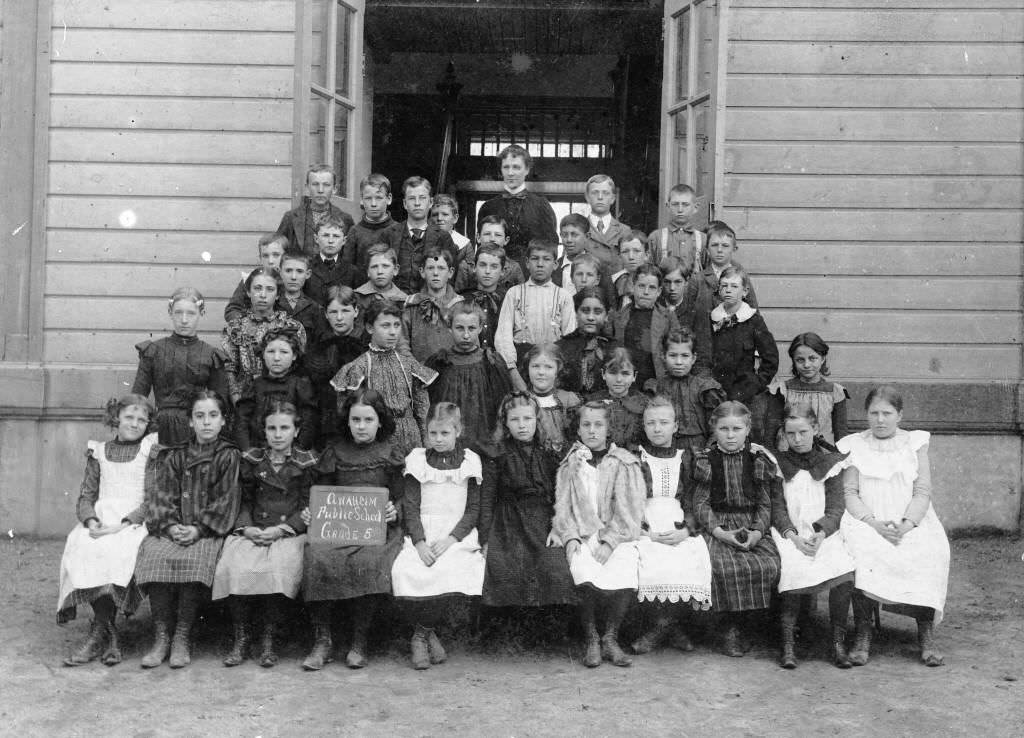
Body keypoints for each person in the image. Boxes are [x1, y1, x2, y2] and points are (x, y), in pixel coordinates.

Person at [837, 386, 950, 667]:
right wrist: (873, 523)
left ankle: (925, 634)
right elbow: (850, 492)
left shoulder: (915, 443)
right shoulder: (854, 444)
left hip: (909, 519)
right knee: (861, 550)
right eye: (874, 413)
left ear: (899, 415)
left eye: (887, 413)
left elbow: (922, 490)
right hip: (867, 519)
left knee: (930, 550)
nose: (880, 420)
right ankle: (863, 632)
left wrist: (908, 524)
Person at [134, 390, 241, 669]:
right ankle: (162, 636)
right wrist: (169, 526)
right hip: (173, 527)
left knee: (193, 559)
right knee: (155, 553)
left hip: (206, 531)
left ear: (223, 421)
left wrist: (198, 529)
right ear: (191, 422)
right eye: (200, 416)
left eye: (213, 416)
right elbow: (162, 495)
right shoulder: (176, 455)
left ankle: (182, 635)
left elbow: (226, 499)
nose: (206, 422)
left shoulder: (228, 456)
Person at [301, 388, 406, 670]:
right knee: (317, 555)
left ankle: (359, 641)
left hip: (376, 531)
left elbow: (401, 495)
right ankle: (323, 639)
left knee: (368, 561)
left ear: (380, 421)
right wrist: (312, 509)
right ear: (347, 421)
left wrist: (394, 510)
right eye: (356, 420)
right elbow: (320, 491)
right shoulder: (336, 451)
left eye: (368, 420)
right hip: (337, 529)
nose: (361, 426)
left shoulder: (390, 453)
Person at [58, 395, 158, 666]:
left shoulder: (149, 451)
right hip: (101, 520)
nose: (134, 424)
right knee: (84, 545)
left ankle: (98, 634)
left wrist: (123, 524)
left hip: (132, 522)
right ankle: (109, 633)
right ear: (116, 418)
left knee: (117, 552)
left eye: (141, 420)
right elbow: (86, 496)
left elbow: (152, 499)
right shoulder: (99, 451)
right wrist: (91, 521)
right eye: (129, 417)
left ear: (148, 425)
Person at [213, 401, 314, 668]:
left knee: (279, 566)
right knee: (235, 562)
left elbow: (308, 504)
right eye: (272, 428)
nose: (278, 434)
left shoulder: (307, 462)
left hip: (288, 533)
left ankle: (269, 638)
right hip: (254, 529)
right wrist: (247, 527)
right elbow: (242, 500)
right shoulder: (253, 460)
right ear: (264, 431)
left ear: (296, 430)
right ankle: (242, 637)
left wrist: (283, 528)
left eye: (284, 428)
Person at [391, 403, 486, 670]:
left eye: (445, 433)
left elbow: (473, 509)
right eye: (433, 433)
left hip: (456, 535)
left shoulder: (470, 460)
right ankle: (428, 634)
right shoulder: (417, 459)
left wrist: (451, 539)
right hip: (423, 531)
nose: (438, 439)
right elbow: (410, 506)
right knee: (406, 569)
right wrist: (420, 542)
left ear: (458, 431)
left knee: (450, 569)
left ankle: (421, 635)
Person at [552, 401, 645, 667]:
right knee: (582, 565)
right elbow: (564, 505)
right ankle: (591, 638)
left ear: (608, 428)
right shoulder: (572, 462)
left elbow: (629, 510)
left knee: (625, 563)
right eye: (586, 425)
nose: (592, 431)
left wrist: (610, 541)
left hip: (616, 534)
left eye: (598, 425)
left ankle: (610, 637)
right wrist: (569, 536)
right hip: (583, 532)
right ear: (579, 429)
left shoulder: (624, 462)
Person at [693, 401, 781, 657]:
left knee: (768, 564)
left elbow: (765, 505)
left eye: (736, 429)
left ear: (747, 429)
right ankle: (728, 628)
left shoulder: (758, 460)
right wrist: (720, 532)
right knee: (719, 565)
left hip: (751, 524)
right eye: (724, 429)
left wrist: (756, 532)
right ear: (714, 430)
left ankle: (749, 626)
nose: (730, 435)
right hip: (718, 525)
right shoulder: (706, 460)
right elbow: (700, 504)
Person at [770, 403, 855, 669]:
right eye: (791, 433)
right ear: (784, 433)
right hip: (789, 534)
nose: (797, 439)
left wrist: (821, 533)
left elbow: (836, 507)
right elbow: (777, 507)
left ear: (815, 429)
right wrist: (793, 536)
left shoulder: (831, 463)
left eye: (803, 432)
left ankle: (837, 641)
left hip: (823, 534)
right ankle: (788, 644)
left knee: (843, 568)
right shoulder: (777, 463)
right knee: (792, 568)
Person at [631, 396, 713, 654]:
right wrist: (646, 530)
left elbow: (694, 500)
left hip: (678, 521)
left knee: (691, 556)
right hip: (645, 522)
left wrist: (687, 530)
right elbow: (631, 498)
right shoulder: (637, 457)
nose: (657, 428)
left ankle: (664, 627)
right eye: (651, 423)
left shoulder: (687, 458)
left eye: (664, 422)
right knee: (649, 559)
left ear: (676, 426)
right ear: (644, 427)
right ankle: (665, 628)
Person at [479, 392, 576, 609]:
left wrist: (557, 527)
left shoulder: (548, 453)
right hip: (508, 522)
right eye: (515, 420)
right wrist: (485, 539)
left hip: (543, 520)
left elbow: (560, 496)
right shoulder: (498, 455)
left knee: (553, 567)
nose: (522, 425)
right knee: (508, 569)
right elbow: (486, 499)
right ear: (505, 423)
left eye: (527, 419)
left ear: (537, 420)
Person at [331, 301, 437, 454]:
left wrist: (427, 444)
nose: (393, 332)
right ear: (370, 328)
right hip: (378, 439)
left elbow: (422, 408)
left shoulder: (408, 364)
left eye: (397, 325)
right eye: (385, 326)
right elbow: (346, 412)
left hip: (411, 437)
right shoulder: (359, 367)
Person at [132, 287, 229, 445]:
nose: (184, 320)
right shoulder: (153, 351)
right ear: (170, 312)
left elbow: (219, 404)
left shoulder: (211, 355)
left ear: (201, 314)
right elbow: (138, 397)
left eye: (191, 313)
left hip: (197, 429)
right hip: (159, 429)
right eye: (178, 313)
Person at [707, 266, 778, 444]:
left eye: (734, 286)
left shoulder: (753, 320)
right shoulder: (712, 319)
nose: (728, 290)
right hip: (716, 391)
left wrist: (755, 383)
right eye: (724, 286)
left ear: (745, 291)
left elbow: (770, 358)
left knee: (745, 437)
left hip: (745, 393)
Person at [425, 302, 511, 445]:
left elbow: (503, 404)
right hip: (447, 438)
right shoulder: (439, 363)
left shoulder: (491, 362)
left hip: (483, 437)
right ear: (450, 328)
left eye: (471, 328)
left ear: (479, 328)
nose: (466, 335)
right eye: (459, 328)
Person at [495, 238, 577, 386]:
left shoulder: (564, 296)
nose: (540, 264)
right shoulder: (514, 293)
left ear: (555, 264)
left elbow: (569, 337)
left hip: (552, 365)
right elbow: (503, 335)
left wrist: (558, 370)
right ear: (527, 262)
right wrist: (512, 370)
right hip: (521, 362)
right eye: (535, 259)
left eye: (546, 259)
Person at [680, 221, 759, 373]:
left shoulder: (742, 279)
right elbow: (685, 319)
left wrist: (755, 353)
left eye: (725, 246)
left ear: (733, 249)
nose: (720, 250)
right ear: (707, 250)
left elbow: (754, 315)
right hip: (705, 356)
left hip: (737, 356)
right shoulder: (698, 280)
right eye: (715, 245)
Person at [222, 267, 307, 405]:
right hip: (245, 398)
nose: (263, 295)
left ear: (278, 294)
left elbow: (299, 370)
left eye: (270, 289)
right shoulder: (235, 328)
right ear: (248, 292)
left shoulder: (292, 327)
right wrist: (238, 403)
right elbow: (230, 370)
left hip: (284, 399)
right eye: (257, 288)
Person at [477, 144, 558, 272]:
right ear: (500, 170)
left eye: (516, 167)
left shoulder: (541, 205)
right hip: (496, 274)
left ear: (527, 170)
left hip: (531, 275)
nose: (510, 173)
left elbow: (551, 246)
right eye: (506, 167)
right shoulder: (488, 207)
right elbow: (482, 249)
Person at [305, 285, 369, 446]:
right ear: (326, 314)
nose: (339, 318)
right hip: (328, 421)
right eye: (333, 312)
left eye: (345, 311)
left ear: (355, 312)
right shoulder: (319, 346)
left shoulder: (366, 344)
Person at [233, 328, 317, 451]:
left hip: (292, 453)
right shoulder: (255, 385)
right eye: (271, 351)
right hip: (258, 452)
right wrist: (247, 452)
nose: (276, 358)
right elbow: (242, 422)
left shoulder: (300, 385)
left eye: (284, 352)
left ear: (294, 355)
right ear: (263, 354)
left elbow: (308, 423)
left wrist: (297, 451)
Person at [644, 328, 725, 455]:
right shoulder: (656, 387)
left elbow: (717, 426)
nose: (679, 362)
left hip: (697, 451)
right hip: (662, 450)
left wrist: (709, 451)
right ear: (663, 356)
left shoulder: (704, 388)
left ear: (693, 358)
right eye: (673, 355)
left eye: (685, 356)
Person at [768, 332, 849, 450]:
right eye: (800, 360)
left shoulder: (835, 392)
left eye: (812, 359)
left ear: (822, 359)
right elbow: (772, 431)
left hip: (824, 455)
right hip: (789, 454)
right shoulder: (783, 390)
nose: (807, 365)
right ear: (794, 361)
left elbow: (841, 433)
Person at [611, 264, 681, 389]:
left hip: (656, 382)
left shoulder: (668, 317)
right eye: (641, 286)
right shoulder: (619, 316)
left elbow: (676, 350)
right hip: (625, 382)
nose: (646, 292)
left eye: (652, 287)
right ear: (634, 286)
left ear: (659, 291)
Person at [388, 176, 459, 294]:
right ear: (405, 203)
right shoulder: (389, 234)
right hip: (394, 303)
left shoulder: (443, 237)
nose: (417, 203)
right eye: (411, 198)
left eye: (422, 198)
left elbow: (450, 277)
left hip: (430, 303)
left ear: (430, 202)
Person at [276, 164, 355, 256]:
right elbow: (278, 249)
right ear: (307, 187)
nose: (320, 190)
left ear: (334, 189)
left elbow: (350, 256)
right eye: (315, 184)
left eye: (326, 185)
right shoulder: (291, 217)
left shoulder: (345, 219)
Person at [402, 245, 463, 362]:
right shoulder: (412, 305)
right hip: (420, 373)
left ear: (450, 272)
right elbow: (402, 344)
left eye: (441, 268)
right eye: (430, 268)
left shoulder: (460, 306)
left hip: (454, 372)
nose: (435, 273)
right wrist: (419, 371)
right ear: (422, 272)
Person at [556, 287, 620, 396]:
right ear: (576, 313)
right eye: (585, 311)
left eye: (597, 312)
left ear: (606, 316)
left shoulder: (615, 349)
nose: (590, 317)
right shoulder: (561, 347)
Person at [522, 343, 582, 456]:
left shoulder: (569, 400)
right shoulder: (521, 401)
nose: (541, 372)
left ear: (558, 369)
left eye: (548, 367)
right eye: (535, 366)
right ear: (528, 367)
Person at [588, 348, 646, 451]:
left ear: (634, 376)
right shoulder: (592, 403)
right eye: (613, 373)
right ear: (603, 374)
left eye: (625, 373)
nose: (619, 379)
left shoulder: (643, 404)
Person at [457, 243, 511, 350]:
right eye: (482, 265)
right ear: (474, 267)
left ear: (503, 271)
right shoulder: (462, 299)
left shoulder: (508, 299)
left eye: (494, 266)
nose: (487, 271)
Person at [224, 233, 288, 322]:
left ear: (285, 256)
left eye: (276, 255)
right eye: (265, 256)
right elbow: (232, 310)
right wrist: (249, 325)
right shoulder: (250, 279)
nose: (270, 261)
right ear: (260, 258)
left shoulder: (292, 280)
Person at [453, 215, 525, 293]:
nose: (492, 239)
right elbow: (459, 296)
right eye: (487, 234)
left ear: (506, 240)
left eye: (498, 235)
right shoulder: (466, 266)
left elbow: (521, 297)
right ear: (478, 237)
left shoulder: (514, 268)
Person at [304, 218, 362, 308]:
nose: (330, 241)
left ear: (344, 241)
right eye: (326, 235)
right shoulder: (306, 268)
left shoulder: (353, 272)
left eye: (336, 236)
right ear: (316, 238)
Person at [647, 184, 705, 272]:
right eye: (675, 204)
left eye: (685, 205)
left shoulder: (703, 239)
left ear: (695, 207)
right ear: (668, 206)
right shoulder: (656, 237)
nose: (680, 209)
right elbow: (649, 270)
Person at [349, 173, 398, 270]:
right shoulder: (354, 232)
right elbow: (348, 269)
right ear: (361, 200)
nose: (373, 204)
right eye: (368, 198)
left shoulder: (398, 230)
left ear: (389, 198)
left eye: (379, 198)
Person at [278, 251, 329, 343]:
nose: (293, 277)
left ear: (308, 274)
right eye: (288, 271)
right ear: (280, 272)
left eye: (299, 271)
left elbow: (320, 345)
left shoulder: (316, 309)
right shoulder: (272, 304)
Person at [585, 174, 631, 261]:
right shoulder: (579, 229)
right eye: (595, 192)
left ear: (613, 198)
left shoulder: (625, 230)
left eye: (605, 193)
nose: (600, 197)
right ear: (587, 197)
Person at [354, 244, 409, 313]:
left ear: (395, 270)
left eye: (385, 266)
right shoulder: (356, 297)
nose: (380, 272)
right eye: (374, 267)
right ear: (367, 271)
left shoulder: (404, 301)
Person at [609, 230, 651, 309]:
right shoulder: (614, 280)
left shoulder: (654, 279)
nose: (631, 257)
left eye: (636, 251)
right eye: (625, 252)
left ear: (646, 255)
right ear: (619, 256)